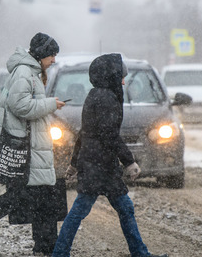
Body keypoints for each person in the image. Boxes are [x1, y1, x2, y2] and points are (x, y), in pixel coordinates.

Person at [0, 32, 66, 256]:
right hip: (27, 149)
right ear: (42, 54)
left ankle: (44, 246)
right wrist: (50, 104)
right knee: (23, 197)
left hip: (33, 147)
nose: (54, 60)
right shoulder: (25, 72)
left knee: (42, 197)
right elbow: (21, 106)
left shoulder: (31, 72)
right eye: (52, 55)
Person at [52, 54, 168, 257]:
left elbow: (84, 132)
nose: (123, 81)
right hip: (101, 166)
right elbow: (110, 135)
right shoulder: (107, 99)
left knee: (119, 208)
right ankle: (60, 253)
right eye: (121, 77)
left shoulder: (94, 95)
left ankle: (139, 253)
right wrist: (129, 161)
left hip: (96, 164)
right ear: (112, 77)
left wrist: (74, 163)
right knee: (91, 209)